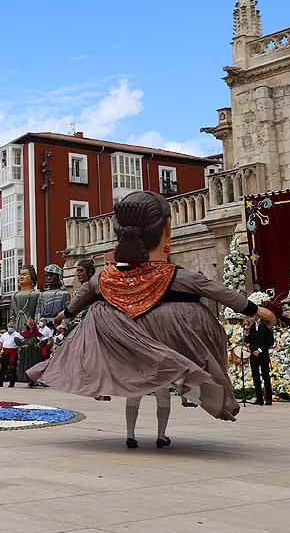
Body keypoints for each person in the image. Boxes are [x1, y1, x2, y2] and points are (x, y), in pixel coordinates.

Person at [34, 191, 276, 449]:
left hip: (127, 347)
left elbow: (79, 299)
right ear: (167, 231)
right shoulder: (177, 276)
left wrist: (64, 316)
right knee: (162, 389)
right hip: (167, 346)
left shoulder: (105, 278)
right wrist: (254, 310)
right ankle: (163, 431)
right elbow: (217, 291)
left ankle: (132, 432)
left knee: (133, 386)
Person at [246, 317, 275, 405]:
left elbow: (270, 342)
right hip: (253, 355)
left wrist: (259, 350)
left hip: (263, 354)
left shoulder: (266, 326)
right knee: (255, 376)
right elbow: (247, 341)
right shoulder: (251, 326)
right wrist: (246, 332)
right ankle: (259, 398)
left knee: (265, 376)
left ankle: (268, 398)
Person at [0, 323, 23, 388]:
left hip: (13, 353)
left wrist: (19, 351)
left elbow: (21, 344)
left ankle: (12, 383)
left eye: (11, 326)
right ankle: (0, 382)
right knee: (3, 368)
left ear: (14, 327)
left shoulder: (17, 335)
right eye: (9, 326)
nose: (10, 327)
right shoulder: (4, 335)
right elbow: (1, 344)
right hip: (5, 353)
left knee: (13, 369)